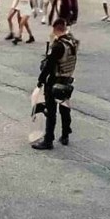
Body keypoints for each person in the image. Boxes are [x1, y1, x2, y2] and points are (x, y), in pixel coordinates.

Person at [31, 18, 78, 150]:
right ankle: (65, 134)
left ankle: (48, 140)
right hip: (67, 79)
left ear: (55, 29)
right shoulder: (72, 42)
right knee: (65, 108)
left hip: (55, 81)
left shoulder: (58, 45)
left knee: (51, 112)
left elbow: (49, 65)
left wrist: (40, 80)